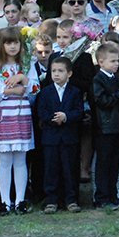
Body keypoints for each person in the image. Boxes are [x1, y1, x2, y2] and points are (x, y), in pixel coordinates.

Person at [0, 28, 38, 215]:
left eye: (16, 42)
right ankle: (5, 201)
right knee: (5, 160)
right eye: (8, 43)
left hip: (22, 115)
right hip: (3, 117)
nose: (13, 46)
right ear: (2, 45)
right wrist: (12, 91)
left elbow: (34, 87)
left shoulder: (27, 65)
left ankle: (21, 200)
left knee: (21, 160)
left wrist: (22, 78)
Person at [38, 56, 84, 213]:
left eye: (60, 71)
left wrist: (66, 117)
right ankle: (51, 200)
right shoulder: (45, 92)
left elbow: (79, 111)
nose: (56, 74)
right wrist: (53, 119)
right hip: (51, 137)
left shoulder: (75, 92)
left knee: (70, 169)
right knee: (51, 169)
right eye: (53, 71)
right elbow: (41, 112)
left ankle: (71, 199)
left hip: (69, 137)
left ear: (69, 73)